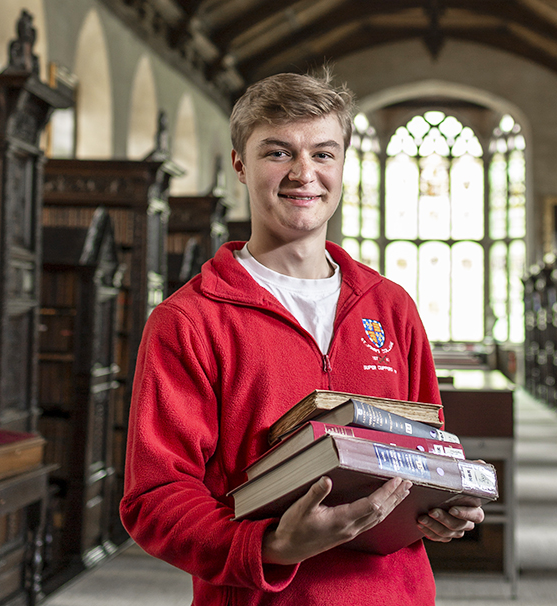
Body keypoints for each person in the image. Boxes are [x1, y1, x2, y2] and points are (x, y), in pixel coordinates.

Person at [120, 70, 485, 605]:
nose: (303, 173)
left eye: (323, 153)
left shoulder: (391, 306)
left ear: (343, 165)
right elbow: (154, 498)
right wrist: (269, 545)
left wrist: (442, 507)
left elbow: (425, 453)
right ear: (239, 165)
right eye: (278, 152)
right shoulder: (189, 319)